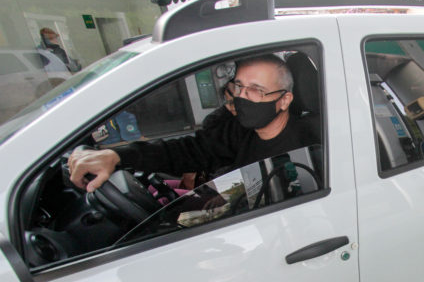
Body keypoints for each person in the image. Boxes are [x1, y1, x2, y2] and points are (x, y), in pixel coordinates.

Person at [68, 54, 316, 192]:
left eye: (256, 90)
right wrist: (117, 156)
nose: (241, 96)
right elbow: (189, 150)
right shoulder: (241, 130)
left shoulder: (308, 147)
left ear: (284, 100)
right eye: (239, 86)